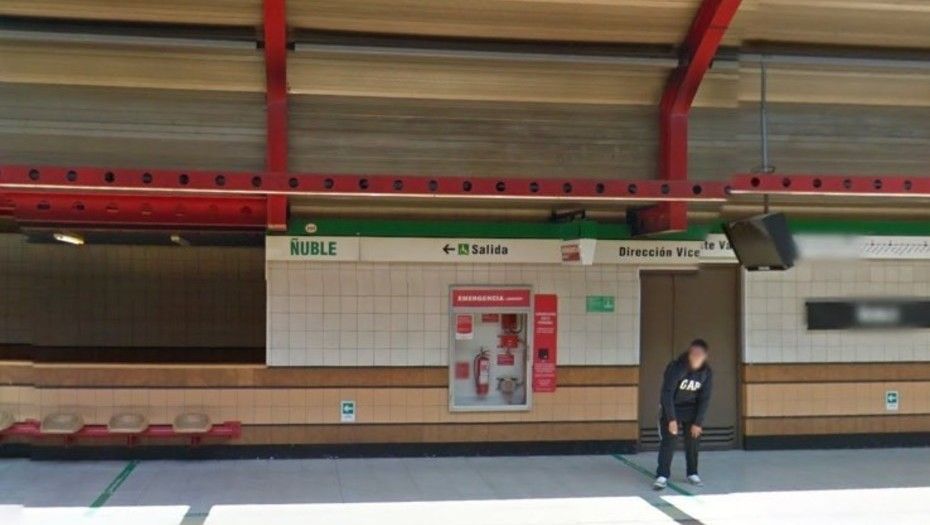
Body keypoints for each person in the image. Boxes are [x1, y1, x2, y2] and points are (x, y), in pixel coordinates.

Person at [653, 339, 713, 490]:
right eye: (693, 353)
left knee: (693, 441)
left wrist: (698, 422)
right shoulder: (677, 368)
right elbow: (667, 393)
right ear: (689, 353)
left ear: (705, 356)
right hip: (672, 407)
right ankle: (662, 475)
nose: (696, 357)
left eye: (699, 354)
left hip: (691, 409)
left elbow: (705, 399)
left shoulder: (706, 373)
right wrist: (671, 419)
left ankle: (692, 473)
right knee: (669, 440)